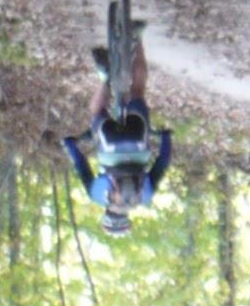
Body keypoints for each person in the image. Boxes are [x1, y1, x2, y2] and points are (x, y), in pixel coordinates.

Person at [62, 23, 171, 235]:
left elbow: (163, 162)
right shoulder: (96, 196)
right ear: (106, 214)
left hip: (138, 140)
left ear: (127, 217)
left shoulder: (145, 196)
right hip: (109, 143)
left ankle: (137, 38)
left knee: (137, 91)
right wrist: (70, 144)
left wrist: (166, 137)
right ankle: (105, 78)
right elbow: (80, 164)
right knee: (97, 111)